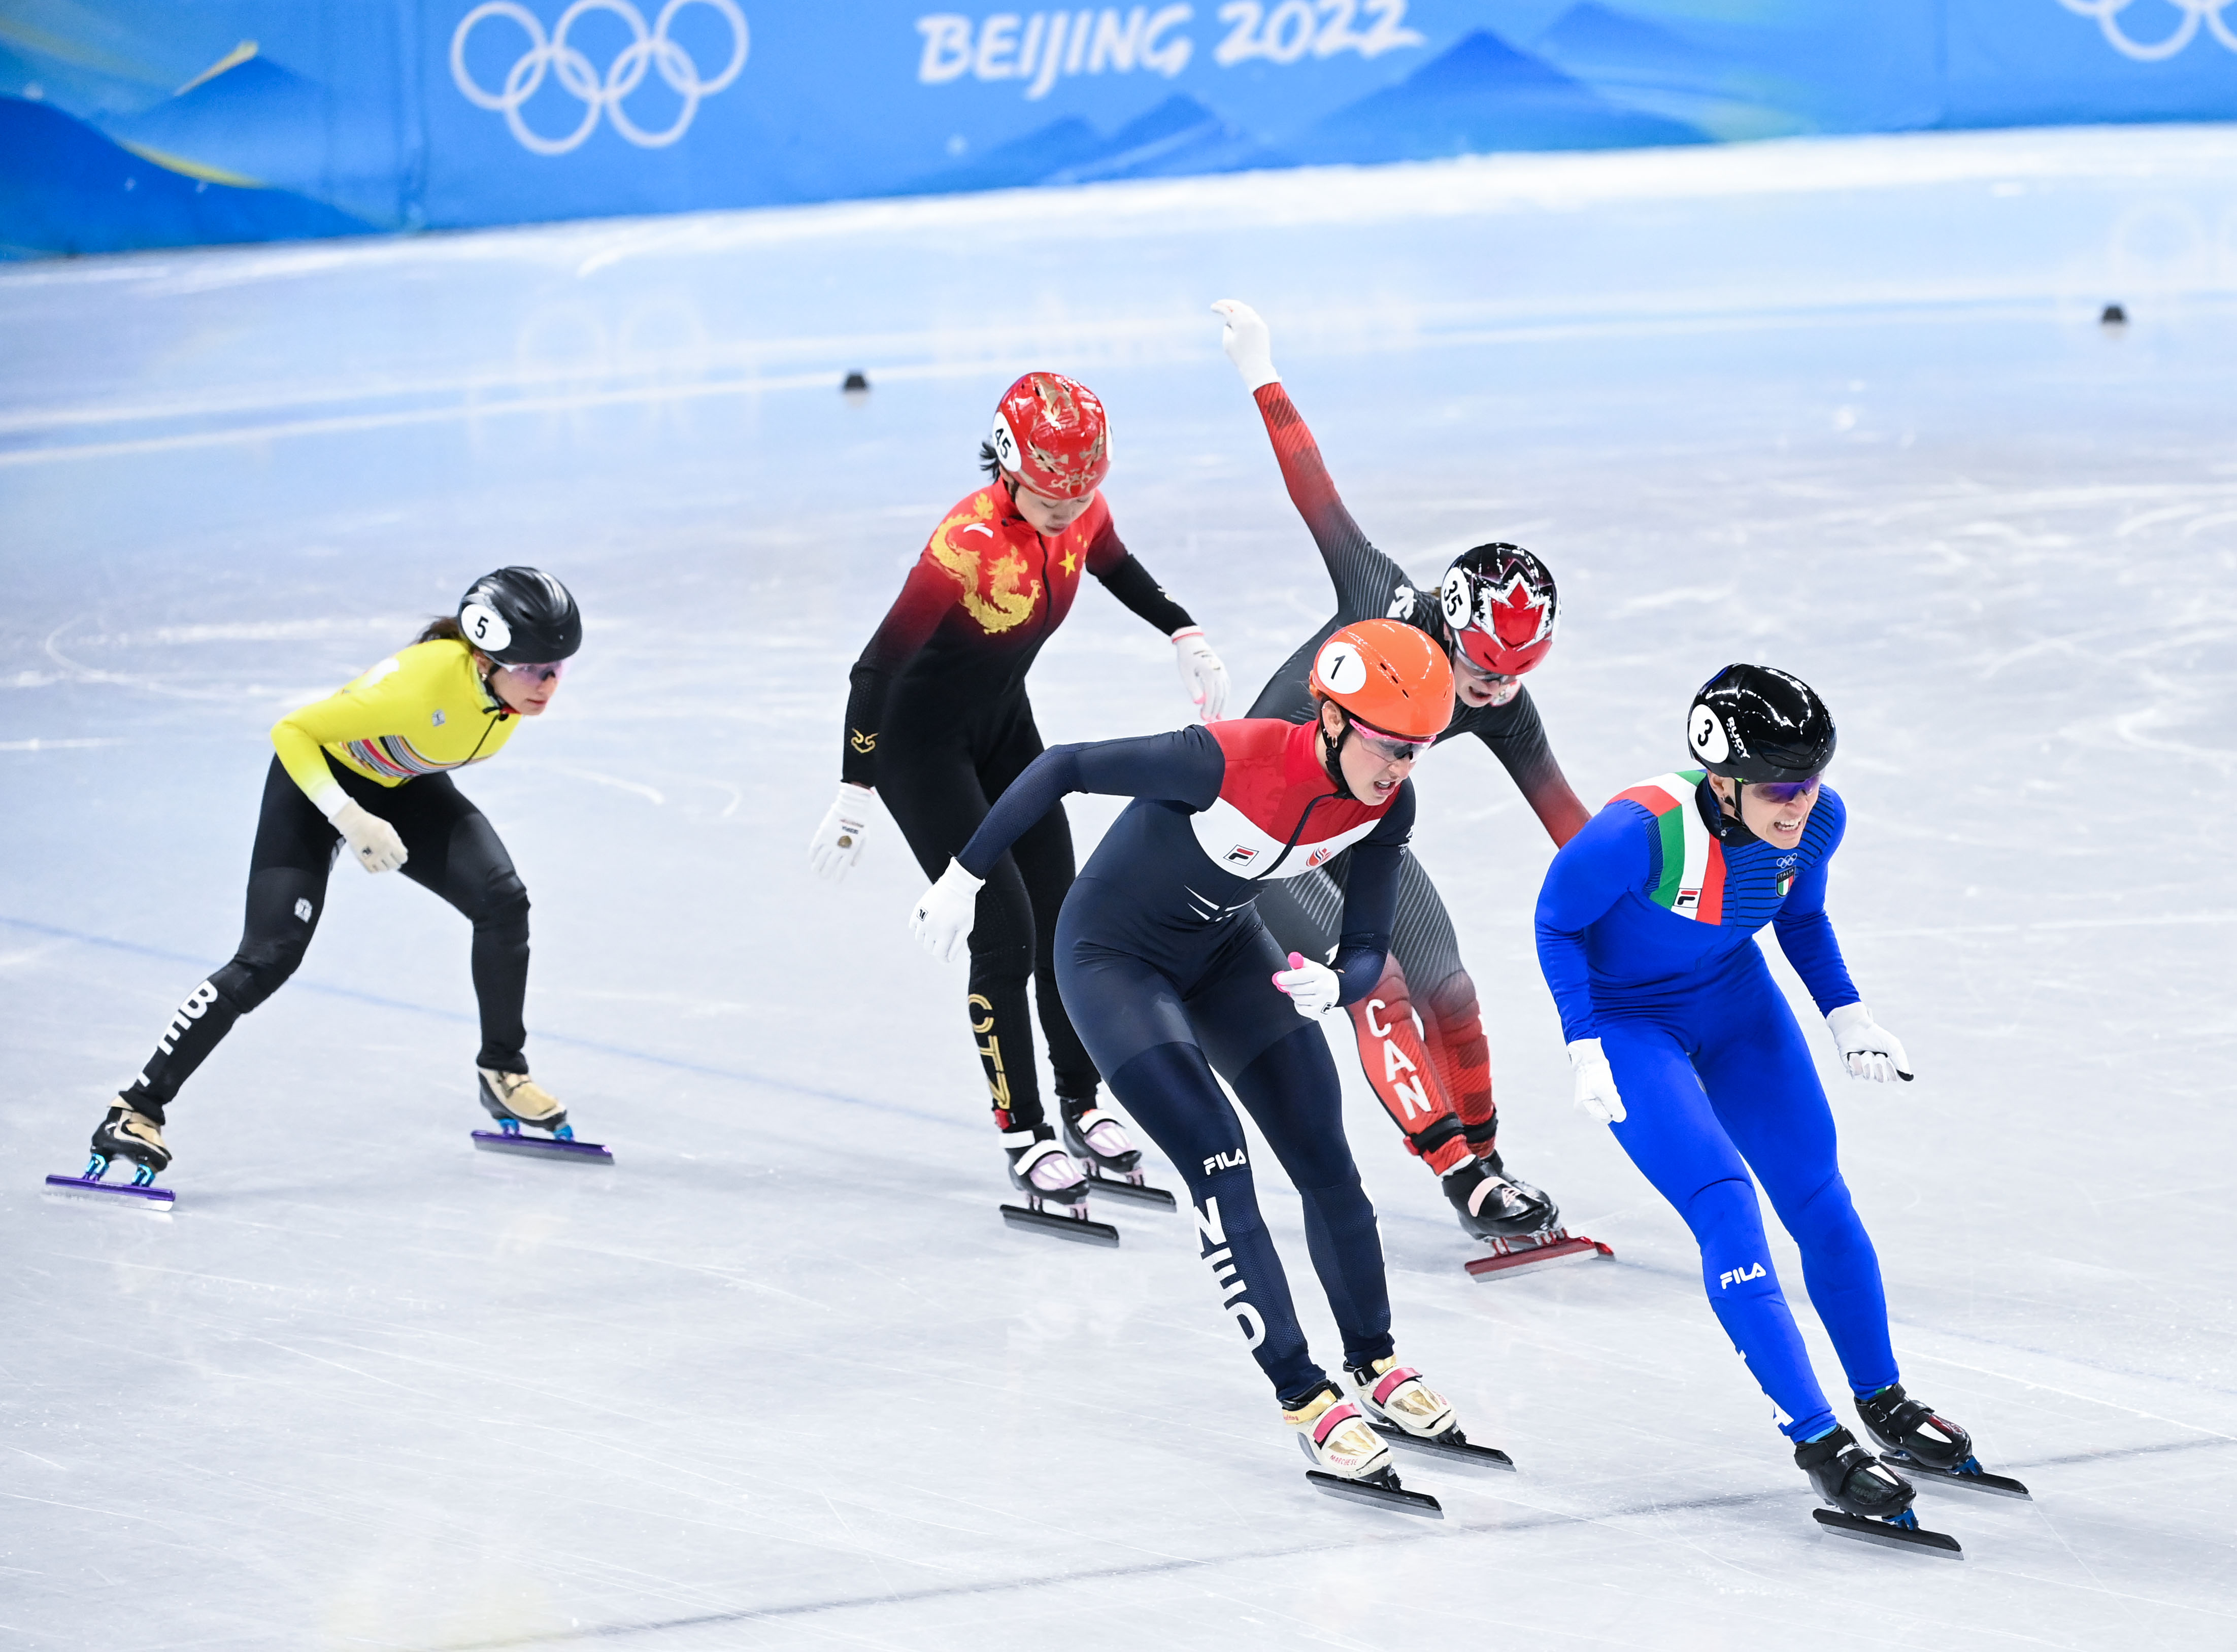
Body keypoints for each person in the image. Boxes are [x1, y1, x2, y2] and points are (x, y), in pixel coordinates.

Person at [907, 619, 1496, 1501]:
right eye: (1384, 746)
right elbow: (1064, 764)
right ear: (1332, 719)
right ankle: (1304, 1396)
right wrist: (965, 876)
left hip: (1227, 953)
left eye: (1414, 753)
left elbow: (1369, 944)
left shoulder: (1388, 804)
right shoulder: (1227, 760)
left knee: (1327, 1163)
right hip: (1114, 963)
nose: (1396, 771)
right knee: (1221, 1163)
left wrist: (1339, 985)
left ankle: (1374, 1364)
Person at [1534, 663, 2006, 1537]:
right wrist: (1582, 1040)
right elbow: (1556, 922)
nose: (1798, 804)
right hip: (1630, 1025)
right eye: (1779, 788)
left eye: (1810, 781)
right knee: (1728, 1209)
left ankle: (1884, 1402)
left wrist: (1847, 1013)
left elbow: (1800, 918)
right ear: (1722, 781)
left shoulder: (1818, 821)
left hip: (1735, 1002)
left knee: (1820, 1201)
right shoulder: (1635, 833)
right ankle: (1821, 1444)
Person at [1210, 299, 1589, 1246]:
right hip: (1263, 830)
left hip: (1359, 825)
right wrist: (1261, 369)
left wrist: (1671, 892)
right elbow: (1315, 493)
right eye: (1481, 670)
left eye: (1515, 676)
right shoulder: (1384, 597)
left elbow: (1572, 830)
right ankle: (1458, 1172)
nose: (1494, 691)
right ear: (1444, 629)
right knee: (1373, 989)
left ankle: (1488, 1166)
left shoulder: (1501, 697)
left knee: (1450, 989)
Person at [812, 371, 1232, 1211]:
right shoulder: (963, 546)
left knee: (1063, 912)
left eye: (1081, 495)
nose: (1067, 510)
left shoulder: (1079, 508)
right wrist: (854, 787)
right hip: (916, 749)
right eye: (1049, 495)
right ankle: (1023, 1127)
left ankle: (1080, 1104)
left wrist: (1181, 627)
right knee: (1000, 926)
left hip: (1005, 728)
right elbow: (874, 668)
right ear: (1009, 464)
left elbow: (1118, 567)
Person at [78, 568, 584, 1188]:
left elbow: (416, 755)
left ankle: (503, 1073)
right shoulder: (421, 683)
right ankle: (135, 1108)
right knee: (268, 958)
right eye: (535, 669)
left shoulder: (501, 696)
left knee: (503, 902)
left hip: (398, 781)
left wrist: (379, 805)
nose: (549, 685)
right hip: (313, 781)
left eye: (558, 668)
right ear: (485, 657)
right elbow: (292, 731)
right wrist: (346, 816)